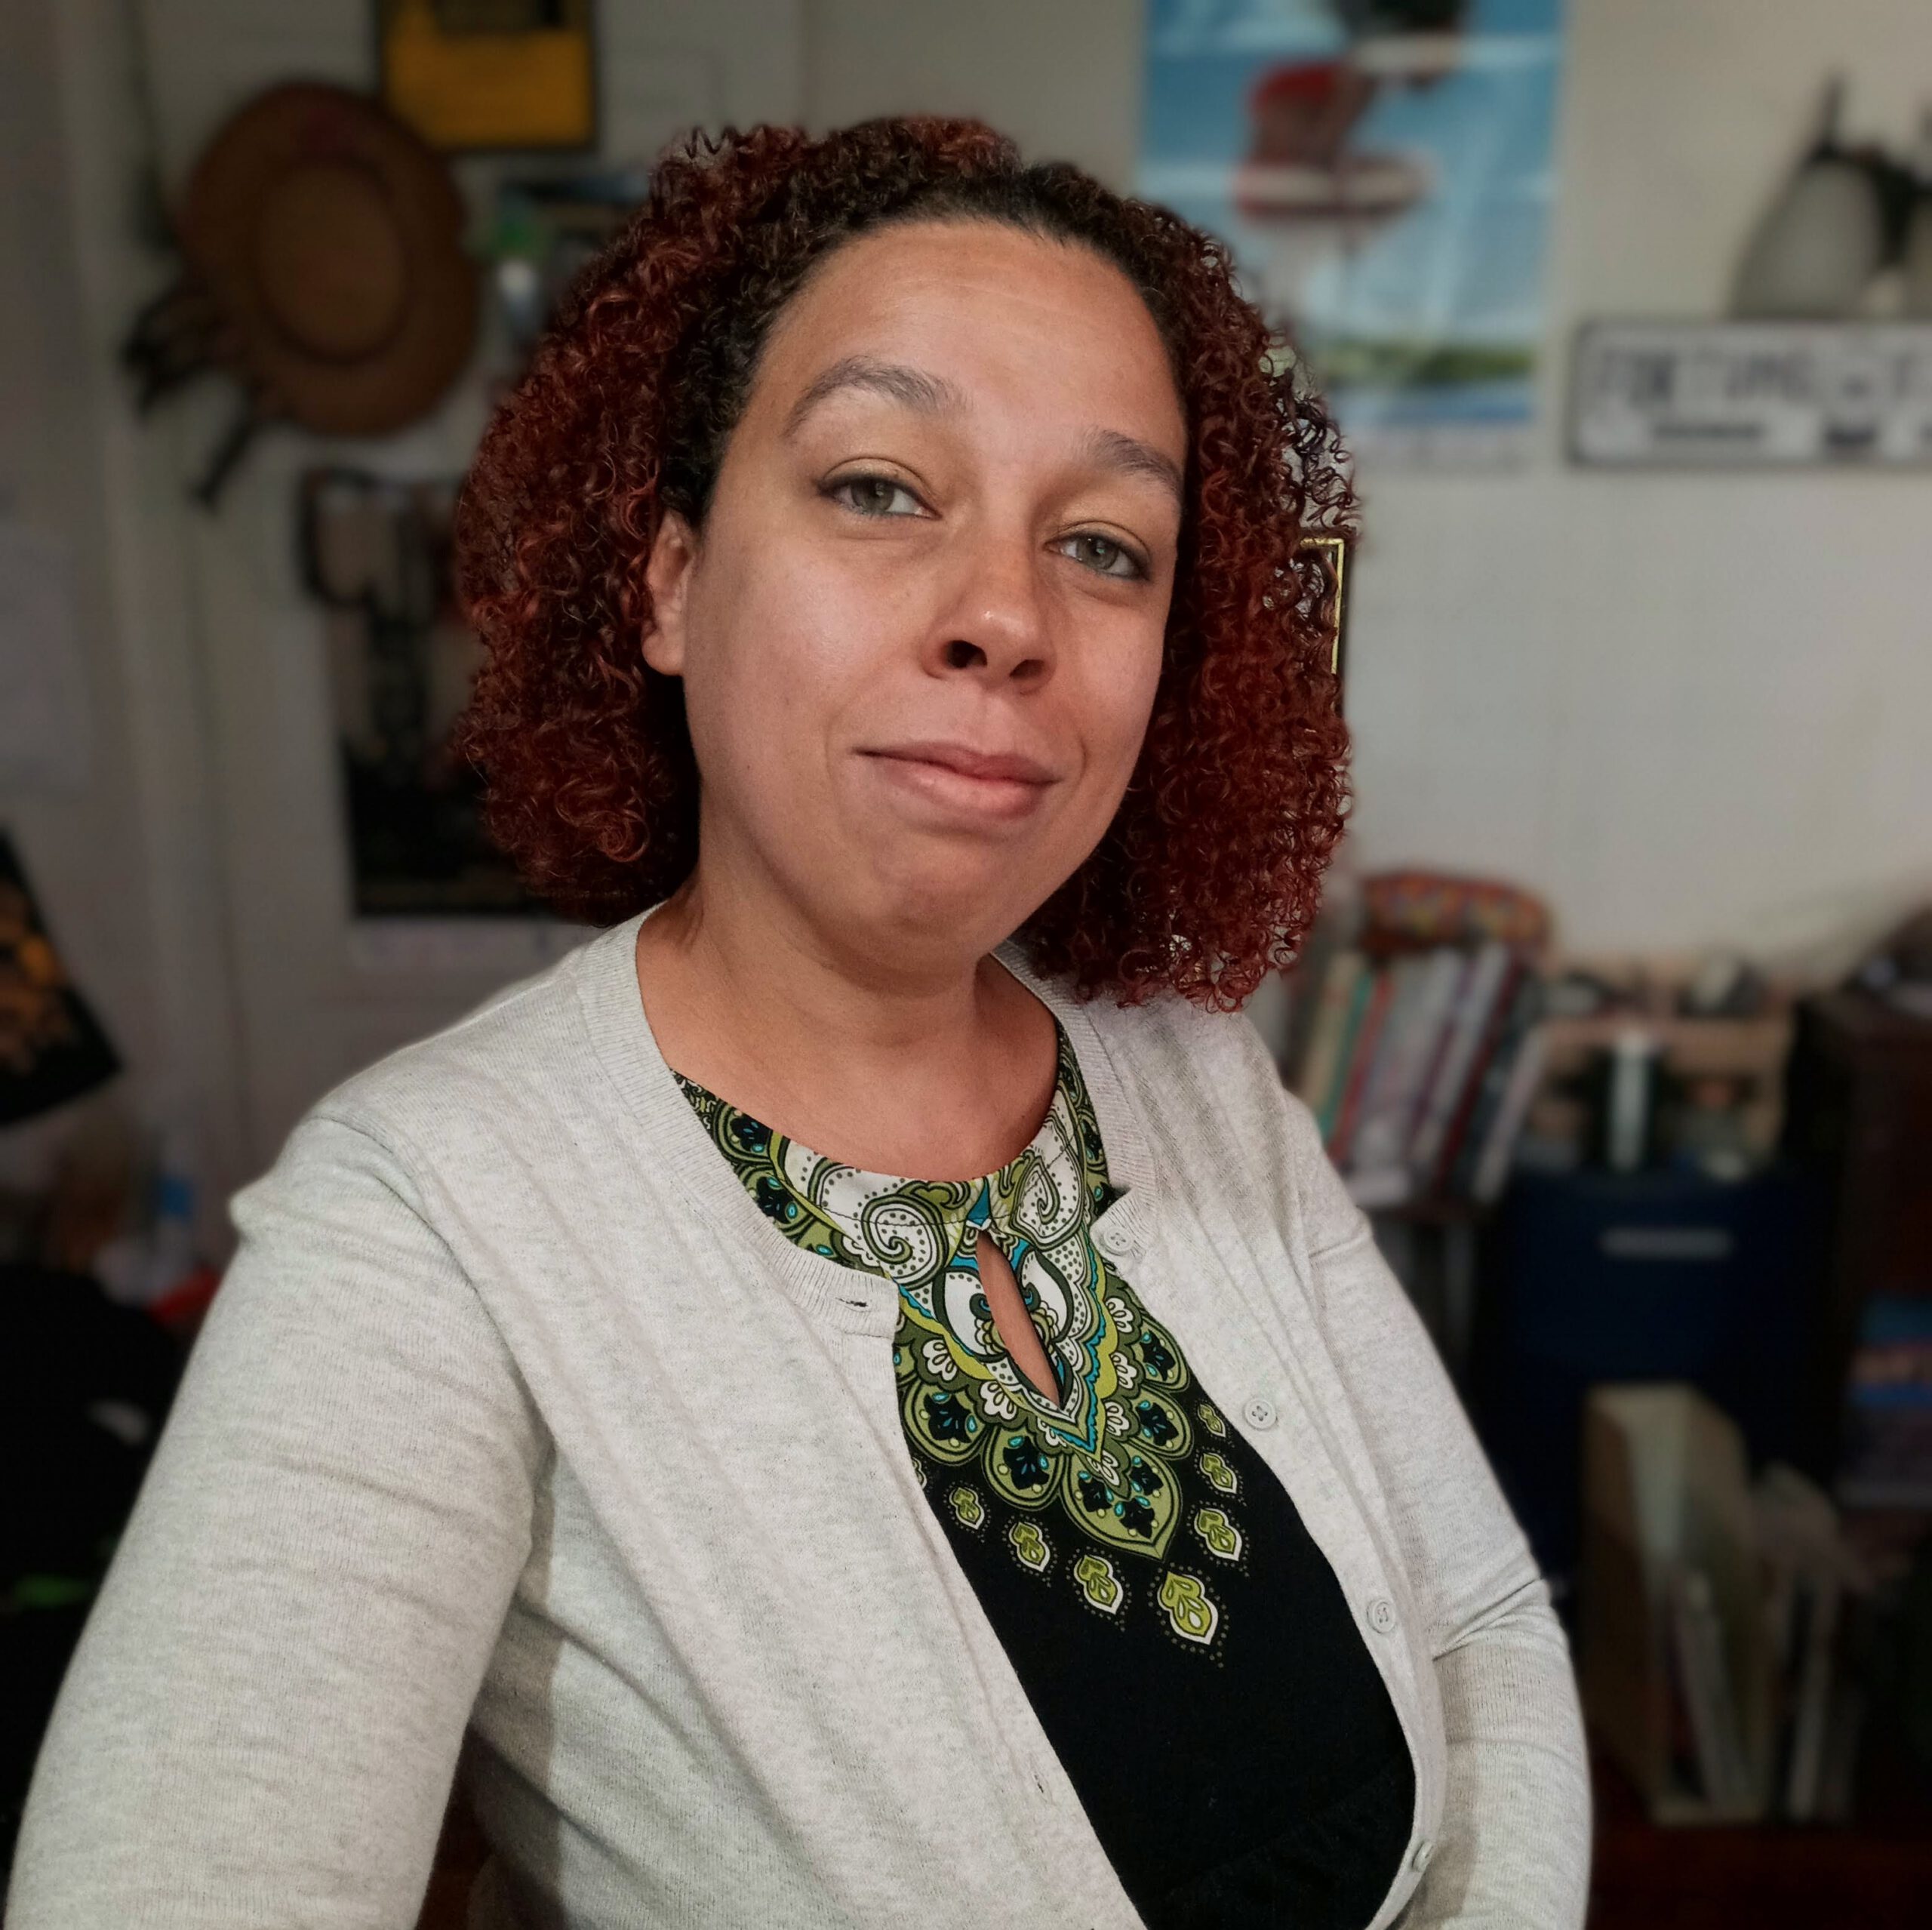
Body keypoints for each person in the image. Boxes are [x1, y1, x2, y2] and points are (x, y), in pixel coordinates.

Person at [8, 118, 1589, 1929]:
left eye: (1102, 541)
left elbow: (1480, 1627)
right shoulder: (423, 1228)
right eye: (876, 487)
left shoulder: (1200, 1081)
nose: (1004, 613)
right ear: (671, 579)